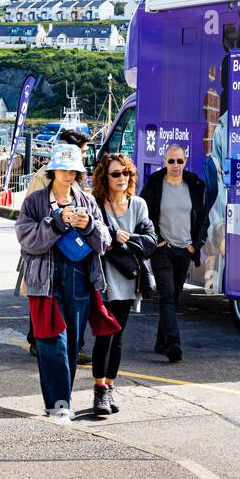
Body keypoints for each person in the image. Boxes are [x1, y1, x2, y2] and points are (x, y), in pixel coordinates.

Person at [15, 143, 114, 419]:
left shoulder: (87, 200)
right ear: (53, 169)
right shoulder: (35, 201)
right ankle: (58, 405)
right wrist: (56, 223)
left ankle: (63, 402)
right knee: (51, 342)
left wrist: (90, 226)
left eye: (74, 170)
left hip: (80, 278)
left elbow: (104, 241)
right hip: (46, 281)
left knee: (72, 344)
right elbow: (26, 239)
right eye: (65, 169)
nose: (70, 175)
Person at [89, 152, 156, 415]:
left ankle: (110, 386)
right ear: (104, 177)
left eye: (126, 173)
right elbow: (92, 236)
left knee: (117, 337)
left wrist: (124, 240)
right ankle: (99, 392)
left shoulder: (138, 205)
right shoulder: (96, 203)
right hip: (103, 281)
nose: (122, 178)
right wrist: (111, 235)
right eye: (116, 173)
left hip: (129, 279)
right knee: (104, 336)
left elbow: (151, 239)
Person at [21, 128, 94, 356]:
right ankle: (40, 341)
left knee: (69, 303)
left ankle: (71, 346)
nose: (83, 156)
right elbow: (29, 217)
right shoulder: (42, 179)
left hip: (74, 252)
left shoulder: (78, 180)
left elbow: (95, 219)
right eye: (80, 151)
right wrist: (52, 224)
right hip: (46, 251)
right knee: (43, 294)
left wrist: (88, 223)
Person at [142, 143, 208, 362]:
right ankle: (173, 343)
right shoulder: (154, 183)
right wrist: (157, 240)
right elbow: (144, 214)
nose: (176, 165)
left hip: (184, 250)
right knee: (167, 295)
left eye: (180, 161)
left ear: (185, 161)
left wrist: (194, 246)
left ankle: (160, 342)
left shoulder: (195, 184)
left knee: (175, 296)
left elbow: (203, 219)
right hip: (163, 249)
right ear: (164, 162)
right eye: (171, 161)